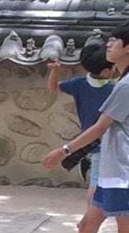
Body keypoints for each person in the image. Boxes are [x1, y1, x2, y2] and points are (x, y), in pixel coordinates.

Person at [42, 23, 129, 233]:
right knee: (86, 227)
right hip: (111, 171)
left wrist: (63, 151)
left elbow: (100, 127)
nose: (109, 45)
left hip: (122, 173)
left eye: (115, 41)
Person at [46, 38, 113, 187]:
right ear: (107, 71)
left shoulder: (78, 84)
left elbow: (53, 87)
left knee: (96, 184)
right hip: (108, 143)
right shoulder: (115, 89)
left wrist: (55, 71)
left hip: (89, 143)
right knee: (99, 188)